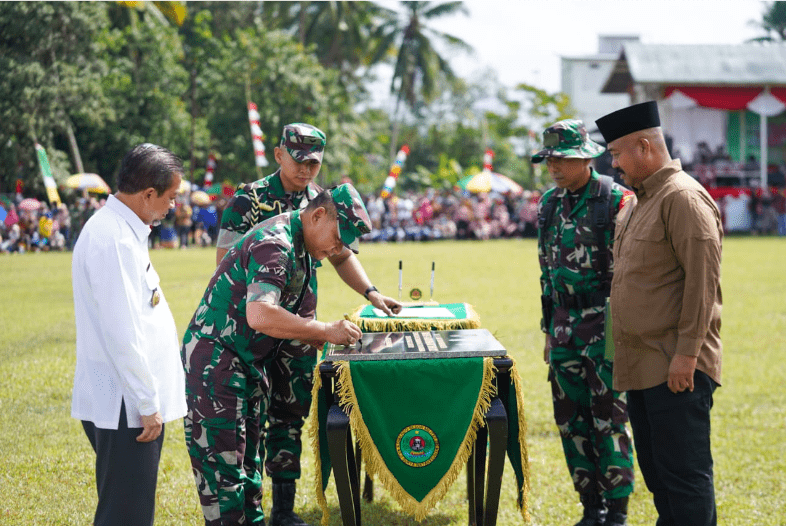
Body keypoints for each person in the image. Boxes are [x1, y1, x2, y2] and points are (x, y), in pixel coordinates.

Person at [215, 123, 401, 525]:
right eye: (299, 161)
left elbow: (340, 255)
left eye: (314, 163)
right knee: (249, 418)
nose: (305, 170)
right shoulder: (250, 200)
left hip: (299, 332)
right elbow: (226, 266)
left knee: (290, 414)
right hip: (254, 329)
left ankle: (283, 509)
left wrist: (371, 292)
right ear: (280, 154)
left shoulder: (322, 201)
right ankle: (252, 509)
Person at [183, 184, 371, 526]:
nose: (338, 248)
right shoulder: (277, 243)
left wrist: (311, 335)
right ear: (317, 216)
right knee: (226, 483)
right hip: (217, 366)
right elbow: (260, 314)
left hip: (246, 364)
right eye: (338, 238)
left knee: (249, 473)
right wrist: (324, 330)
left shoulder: (302, 244)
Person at [596, 101, 723, 526]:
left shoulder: (682, 198)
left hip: (674, 363)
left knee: (684, 476)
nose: (612, 164)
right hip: (642, 364)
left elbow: (702, 285)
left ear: (645, 147)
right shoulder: (637, 202)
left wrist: (687, 355)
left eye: (616, 153)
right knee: (660, 476)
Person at [71, 143, 187, 526]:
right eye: (170, 197)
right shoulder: (114, 240)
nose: (173, 206)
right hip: (126, 405)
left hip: (127, 400)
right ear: (148, 194)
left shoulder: (121, 230)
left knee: (127, 509)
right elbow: (123, 332)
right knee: (126, 516)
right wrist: (146, 401)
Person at [533, 119, 635, 526]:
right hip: (562, 325)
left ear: (584, 158)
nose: (554, 167)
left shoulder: (616, 200)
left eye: (561, 159)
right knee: (570, 418)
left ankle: (618, 511)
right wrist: (547, 330)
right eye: (550, 160)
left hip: (606, 323)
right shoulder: (548, 204)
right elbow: (546, 271)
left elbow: (632, 270)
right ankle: (590, 508)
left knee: (608, 417)